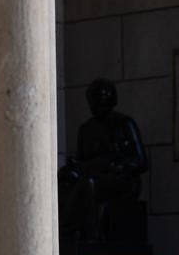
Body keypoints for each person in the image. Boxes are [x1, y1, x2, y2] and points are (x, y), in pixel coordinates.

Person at [58, 78, 149, 242]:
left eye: (100, 100)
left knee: (89, 183)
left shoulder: (124, 123)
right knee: (65, 177)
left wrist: (117, 166)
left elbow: (141, 161)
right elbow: (83, 160)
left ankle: (66, 229)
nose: (96, 105)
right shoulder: (86, 129)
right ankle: (69, 228)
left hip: (121, 180)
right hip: (94, 173)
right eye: (93, 101)